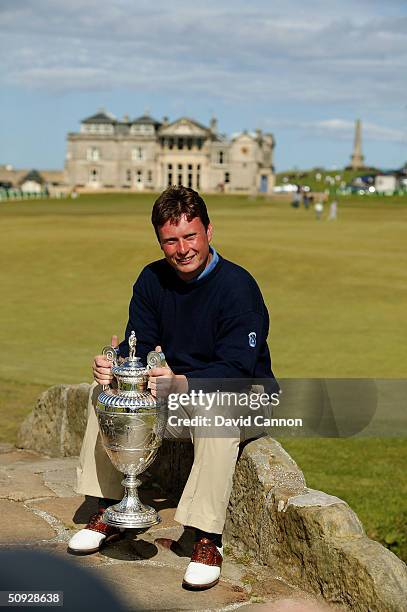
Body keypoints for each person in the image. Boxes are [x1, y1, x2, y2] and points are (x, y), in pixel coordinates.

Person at [68, 186, 278, 590]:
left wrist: (180, 382)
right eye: (170, 240)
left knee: (216, 410)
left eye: (190, 236)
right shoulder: (151, 279)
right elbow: (140, 349)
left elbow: (236, 369)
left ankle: (206, 540)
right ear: (159, 240)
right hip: (176, 394)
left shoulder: (238, 287)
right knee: (107, 396)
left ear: (209, 231)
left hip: (244, 395)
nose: (182, 249)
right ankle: (110, 509)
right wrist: (113, 365)